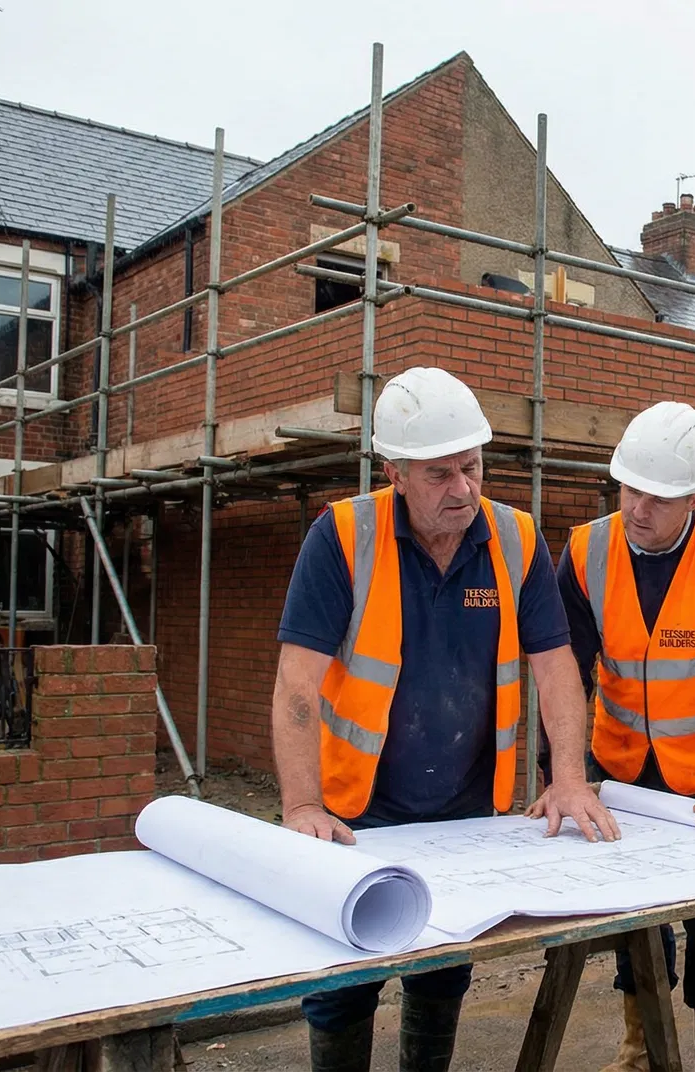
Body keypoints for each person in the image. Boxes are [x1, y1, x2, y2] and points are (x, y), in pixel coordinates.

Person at [273, 366, 620, 1072]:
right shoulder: (342, 537)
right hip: (353, 814)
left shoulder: (516, 539)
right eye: (439, 474)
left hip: (465, 814)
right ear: (394, 472)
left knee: (442, 972)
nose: (463, 488)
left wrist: (571, 780)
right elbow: (297, 684)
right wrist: (302, 804)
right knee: (343, 985)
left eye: (472, 466)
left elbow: (556, 666)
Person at [545, 401, 695, 1072]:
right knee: (636, 915)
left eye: (658, 496)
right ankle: (641, 1047)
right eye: (629, 489)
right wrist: (562, 773)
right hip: (621, 769)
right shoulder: (588, 550)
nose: (639, 509)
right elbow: (561, 672)